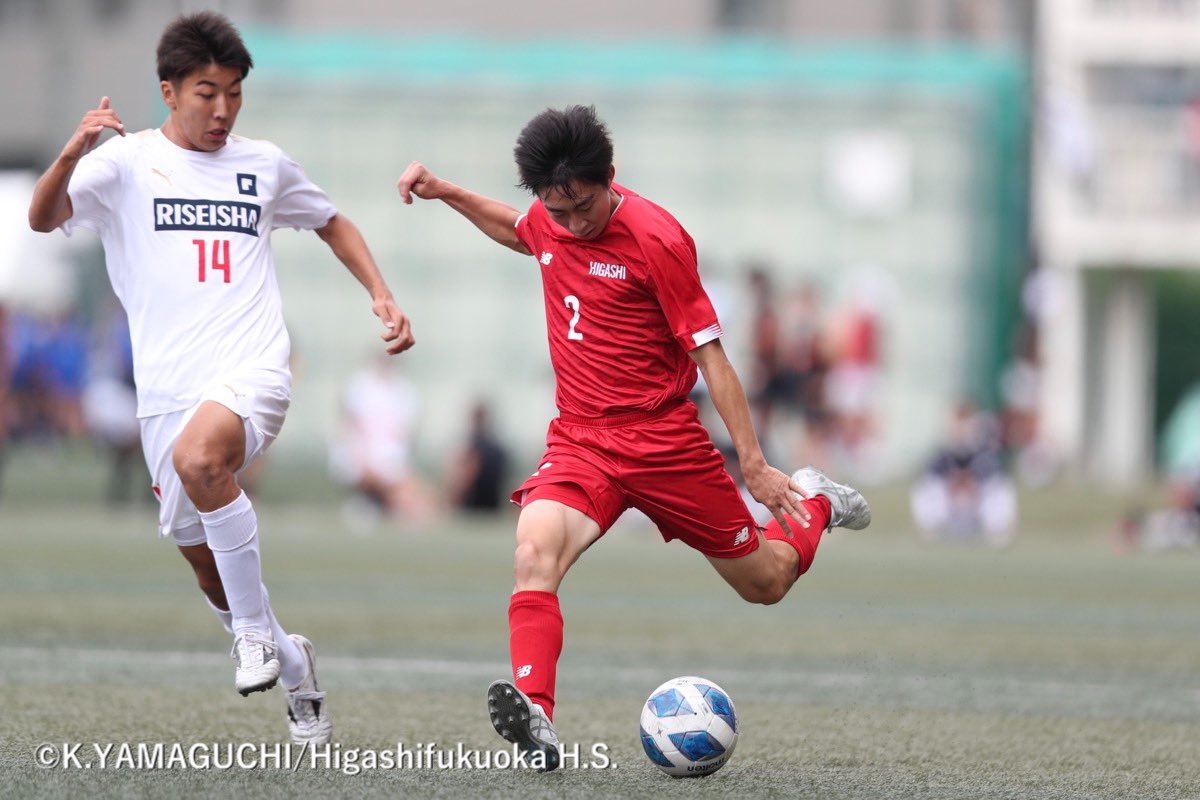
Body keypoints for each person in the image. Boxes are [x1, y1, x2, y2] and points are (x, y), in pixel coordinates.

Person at [396, 104, 870, 771]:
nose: (571, 224)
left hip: (665, 443)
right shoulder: (551, 218)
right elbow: (520, 230)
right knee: (533, 554)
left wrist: (757, 465)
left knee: (765, 583)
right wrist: (445, 190)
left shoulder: (659, 240)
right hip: (581, 440)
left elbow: (712, 358)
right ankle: (537, 714)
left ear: (610, 176)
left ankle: (816, 501)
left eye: (583, 208)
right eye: (557, 212)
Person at [27, 12, 414, 745]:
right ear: (169, 91)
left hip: (252, 368)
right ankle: (292, 661)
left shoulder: (263, 164)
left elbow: (332, 221)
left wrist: (381, 293)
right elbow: (43, 218)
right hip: (165, 395)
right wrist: (74, 151)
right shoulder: (125, 164)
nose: (224, 109)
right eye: (208, 92)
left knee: (203, 458)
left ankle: (254, 640)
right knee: (206, 567)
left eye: (235, 92)